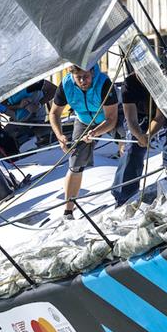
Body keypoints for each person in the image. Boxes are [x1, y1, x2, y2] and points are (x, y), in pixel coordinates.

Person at [49, 64, 118, 218]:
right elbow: (54, 113)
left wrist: (95, 132)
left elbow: (112, 119)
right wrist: (59, 136)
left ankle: (126, 194)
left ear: (92, 73)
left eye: (86, 76)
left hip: (109, 117)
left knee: (126, 147)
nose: (83, 80)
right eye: (78, 77)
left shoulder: (104, 84)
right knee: (75, 165)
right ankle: (68, 212)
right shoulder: (66, 85)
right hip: (84, 120)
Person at [111, 72, 167, 206]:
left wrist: (149, 135)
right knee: (131, 148)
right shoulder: (129, 84)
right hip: (138, 118)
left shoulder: (162, 81)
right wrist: (140, 136)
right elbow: (131, 119)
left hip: (161, 116)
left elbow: (159, 118)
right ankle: (123, 196)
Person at [0, 79, 56, 146]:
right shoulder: (4, 88)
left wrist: (38, 104)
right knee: (1, 138)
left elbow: (54, 89)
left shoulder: (31, 82)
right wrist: (19, 106)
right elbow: (4, 106)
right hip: (17, 122)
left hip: (35, 121)